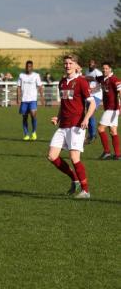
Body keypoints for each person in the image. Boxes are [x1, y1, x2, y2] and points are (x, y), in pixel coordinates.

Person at [47, 54, 96, 199]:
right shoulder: (62, 82)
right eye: (66, 63)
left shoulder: (81, 82)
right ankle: (75, 179)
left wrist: (86, 119)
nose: (67, 66)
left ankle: (85, 191)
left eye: (70, 63)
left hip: (77, 125)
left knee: (74, 157)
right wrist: (58, 117)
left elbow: (92, 103)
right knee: (51, 156)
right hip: (63, 125)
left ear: (76, 66)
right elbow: (64, 103)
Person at [96, 61, 121, 160]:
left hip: (112, 108)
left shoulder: (114, 79)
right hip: (110, 108)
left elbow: (120, 92)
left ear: (110, 69)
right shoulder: (103, 78)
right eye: (103, 68)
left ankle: (106, 152)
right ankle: (118, 154)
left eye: (106, 68)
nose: (104, 70)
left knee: (100, 129)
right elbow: (92, 78)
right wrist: (79, 74)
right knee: (113, 131)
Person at [16, 60, 44, 141]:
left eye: (30, 66)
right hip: (24, 100)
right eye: (27, 66)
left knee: (33, 114)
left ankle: (34, 132)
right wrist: (18, 97)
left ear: (32, 67)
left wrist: (42, 98)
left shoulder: (36, 75)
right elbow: (18, 87)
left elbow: (40, 87)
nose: (28, 68)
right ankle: (26, 134)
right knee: (24, 117)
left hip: (33, 99)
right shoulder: (21, 75)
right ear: (25, 67)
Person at [84, 60, 103, 144]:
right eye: (89, 63)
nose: (90, 65)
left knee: (90, 113)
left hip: (97, 95)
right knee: (89, 114)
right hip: (89, 95)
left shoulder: (98, 73)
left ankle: (92, 134)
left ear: (95, 64)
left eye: (92, 63)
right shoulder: (87, 71)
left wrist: (92, 90)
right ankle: (91, 134)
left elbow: (101, 85)